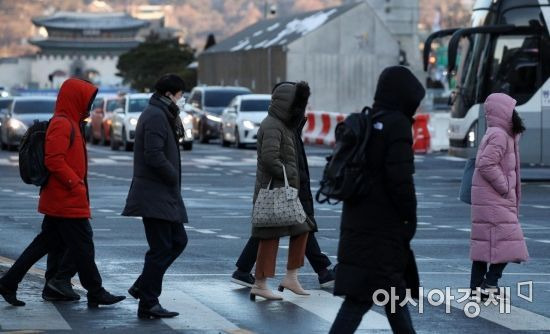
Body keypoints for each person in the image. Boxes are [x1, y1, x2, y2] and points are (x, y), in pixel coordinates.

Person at [0, 78, 125, 308]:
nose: (88, 105)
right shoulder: (62, 123)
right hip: (65, 198)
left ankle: (8, 282)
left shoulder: (71, 122)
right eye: (86, 100)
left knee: (44, 244)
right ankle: (95, 290)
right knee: (83, 246)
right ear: (75, 98)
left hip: (64, 198)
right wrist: (74, 183)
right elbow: (54, 160)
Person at [330, 66, 424, 334]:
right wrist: (409, 218)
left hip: (359, 223)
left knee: (391, 297)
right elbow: (401, 182)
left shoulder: (368, 121)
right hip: (383, 230)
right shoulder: (397, 126)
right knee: (362, 300)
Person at [232, 106, 335, 289]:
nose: (304, 108)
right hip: (286, 187)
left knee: (282, 228)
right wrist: (291, 176)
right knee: (300, 227)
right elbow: (271, 159)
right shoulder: (276, 126)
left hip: (292, 186)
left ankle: (244, 270)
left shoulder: (289, 126)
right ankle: (323, 273)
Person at [122, 74, 188, 319]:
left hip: (163, 194)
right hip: (154, 192)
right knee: (161, 248)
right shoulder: (156, 116)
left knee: (178, 241)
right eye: (181, 95)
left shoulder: (162, 113)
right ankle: (148, 300)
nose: (182, 100)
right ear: (170, 94)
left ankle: (143, 286)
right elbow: (153, 154)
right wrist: (172, 175)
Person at [249, 81, 314, 301]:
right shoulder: (272, 125)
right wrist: (288, 173)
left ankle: (291, 276)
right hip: (273, 191)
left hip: (284, 191)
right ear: (288, 104)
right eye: (298, 104)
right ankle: (260, 283)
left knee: (303, 228)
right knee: (269, 237)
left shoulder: (283, 124)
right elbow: (269, 158)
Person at [469, 93, 529, 298]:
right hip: (495, 198)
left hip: (489, 199)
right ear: (504, 112)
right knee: (511, 241)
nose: (515, 112)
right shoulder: (500, 135)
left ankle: (478, 287)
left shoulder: (499, 133)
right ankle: (490, 283)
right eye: (512, 108)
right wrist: (504, 187)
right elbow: (486, 164)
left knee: (484, 243)